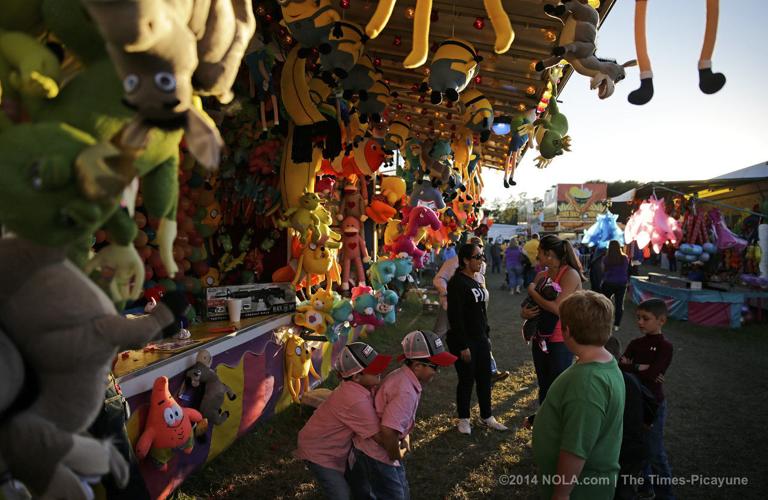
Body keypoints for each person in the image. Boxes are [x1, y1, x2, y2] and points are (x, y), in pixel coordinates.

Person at [532, 290, 625, 500]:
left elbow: (576, 448)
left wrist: (561, 494)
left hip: (580, 489)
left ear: (566, 330)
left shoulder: (587, 382)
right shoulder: (605, 362)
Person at [350, 330, 457, 499]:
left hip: (375, 448)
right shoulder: (405, 391)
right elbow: (388, 430)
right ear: (417, 366)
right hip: (378, 454)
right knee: (394, 495)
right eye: (435, 366)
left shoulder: (401, 376)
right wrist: (395, 456)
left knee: (398, 490)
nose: (438, 371)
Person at [295, 342, 392, 499]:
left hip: (339, 448)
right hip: (318, 451)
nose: (380, 371)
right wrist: (400, 441)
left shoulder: (359, 385)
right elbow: (380, 438)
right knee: (341, 495)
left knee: (360, 485)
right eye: (374, 370)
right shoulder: (354, 400)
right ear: (356, 377)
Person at [447, 243, 509, 435]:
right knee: (466, 380)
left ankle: (487, 416)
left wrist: (487, 336)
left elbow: (482, 313)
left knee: (484, 379)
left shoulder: (476, 280)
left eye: (482, 256)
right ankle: (464, 419)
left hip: (481, 338)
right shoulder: (457, 282)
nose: (482, 260)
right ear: (466, 260)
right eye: (477, 257)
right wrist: (463, 345)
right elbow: (455, 317)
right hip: (465, 340)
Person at [619, 299, 675, 500]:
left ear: (661, 321)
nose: (640, 322)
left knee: (655, 452)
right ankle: (645, 487)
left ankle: (665, 494)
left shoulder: (665, 347)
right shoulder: (635, 344)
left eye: (646, 318)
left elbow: (653, 375)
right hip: (634, 403)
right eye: (638, 318)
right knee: (638, 448)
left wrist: (635, 368)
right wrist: (638, 368)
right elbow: (619, 366)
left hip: (654, 405)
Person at [433, 237, 509, 383]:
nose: (479, 253)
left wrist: (482, 299)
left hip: (473, 309)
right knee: (439, 333)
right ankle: (430, 362)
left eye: (480, 248)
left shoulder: (482, 264)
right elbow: (439, 279)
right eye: (476, 249)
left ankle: (491, 370)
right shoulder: (453, 262)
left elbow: (479, 282)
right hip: (450, 305)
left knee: (482, 338)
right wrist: (445, 292)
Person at [521, 235, 585, 408]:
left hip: (560, 340)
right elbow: (528, 304)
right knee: (544, 385)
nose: (537, 257)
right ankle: (544, 422)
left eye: (540, 253)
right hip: (540, 337)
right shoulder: (541, 275)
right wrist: (525, 313)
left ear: (549, 254)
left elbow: (558, 308)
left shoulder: (569, 275)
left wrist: (533, 292)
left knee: (557, 386)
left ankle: (558, 424)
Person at [604, 336, 658, 500]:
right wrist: (647, 423)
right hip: (636, 449)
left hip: (622, 450)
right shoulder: (629, 378)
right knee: (623, 488)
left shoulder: (606, 381)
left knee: (619, 490)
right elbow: (651, 402)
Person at [601, 240, 630, 332]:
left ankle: (605, 321)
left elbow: (603, 271)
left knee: (605, 303)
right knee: (619, 304)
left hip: (608, 282)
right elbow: (626, 270)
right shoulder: (625, 258)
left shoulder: (606, 258)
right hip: (621, 283)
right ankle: (617, 325)